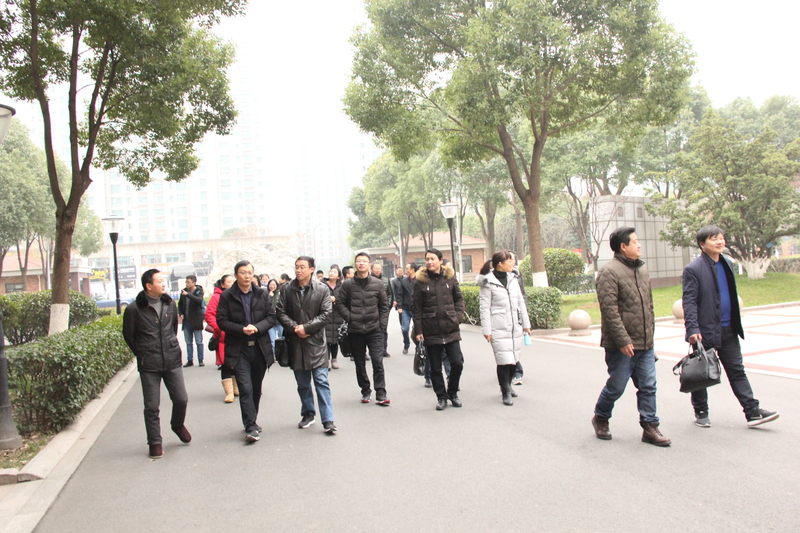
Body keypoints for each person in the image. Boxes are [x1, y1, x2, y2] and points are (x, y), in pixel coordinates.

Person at [682, 225, 779, 428]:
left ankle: (752, 412)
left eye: (721, 238)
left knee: (737, 371)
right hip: (705, 330)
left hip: (728, 329)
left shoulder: (727, 263)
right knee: (701, 371)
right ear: (702, 244)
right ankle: (701, 411)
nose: (719, 241)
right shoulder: (693, 269)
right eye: (713, 238)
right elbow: (689, 301)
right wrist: (693, 329)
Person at [592, 227, 670, 446]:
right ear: (623, 246)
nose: (639, 244)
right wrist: (623, 340)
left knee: (648, 386)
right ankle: (601, 417)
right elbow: (609, 311)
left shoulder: (641, 269)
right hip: (621, 345)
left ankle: (650, 426)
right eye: (635, 242)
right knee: (617, 386)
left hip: (645, 342)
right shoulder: (609, 272)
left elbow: (649, 305)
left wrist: (650, 335)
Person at [122, 269, 191, 459]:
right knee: (152, 405)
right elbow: (129, 336)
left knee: (181, 399)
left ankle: (177, 424)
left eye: (163, 280)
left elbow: (172, 329)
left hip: (172, 360)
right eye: (159, 281)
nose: (163, 284)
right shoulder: (134, 309)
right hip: (149, 364)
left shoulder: (170, 304)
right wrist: (143, 352)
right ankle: (155, 442)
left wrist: (169, 346)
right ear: (148, 285)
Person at [216, 260, 277, 443]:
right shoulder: (227, 296)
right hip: (239, 349)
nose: (247, 276)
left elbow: (271, 317)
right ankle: (250, 426)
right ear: (236, 275)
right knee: (245, 388)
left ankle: (252, 421)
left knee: (256, 389)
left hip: (259, 348)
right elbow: (221, 320)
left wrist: (257, 328)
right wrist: (241, 329)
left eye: (250, 272)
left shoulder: (261, 293)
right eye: (243, 272)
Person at [277, 256, 337, 434]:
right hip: (295, 342)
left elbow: (326, 314)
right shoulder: (287, 289)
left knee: (321, 381)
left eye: (302, 267)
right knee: (303, 384)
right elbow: (280, 312)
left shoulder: (321, 289)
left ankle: (328, 419)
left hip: (316, 342)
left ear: (311, 269)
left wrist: (307, 328)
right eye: (296, 267)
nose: (298, 270)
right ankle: (308, 413)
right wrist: (295, 328)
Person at [476, 251, 532, 406]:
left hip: (515, 327)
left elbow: (520, 303)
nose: (512, 263)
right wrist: (487, 330)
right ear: (500, 264)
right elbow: (484, 308)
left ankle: (508, 385)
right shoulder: (488, 282)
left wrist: (526, 325)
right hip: (498, 327)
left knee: (514, 359)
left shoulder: (513, 278)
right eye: (509, 261)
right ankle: (505, 391)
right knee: (503, 361)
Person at [413, 248, 465, 411]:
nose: (429, 262)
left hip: (450, 328)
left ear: (440, 261)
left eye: (433, 259)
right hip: (431, 330)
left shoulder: (450, 278)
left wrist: (457, 317)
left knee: (457, 363)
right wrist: (419, 330)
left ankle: (452, 393)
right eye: (427, 259)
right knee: (435, 368)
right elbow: (417, 308)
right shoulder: (420, 282)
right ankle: (441, 397)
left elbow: (459, 300)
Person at [339, 252, 391, 405]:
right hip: (355, 331)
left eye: (364, 261)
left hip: (375, 329)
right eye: (358, 261)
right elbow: (340, 303)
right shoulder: (348, 284)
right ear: (355, 264)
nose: (361, 263)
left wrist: (382, 326)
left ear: (369, 264)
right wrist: (350, 317)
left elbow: (384, 306)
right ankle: (365, 390)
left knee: (377, 361)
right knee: (360, 363)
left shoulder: (377, 284)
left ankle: (381, 393)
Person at [205, 274, 238, 403]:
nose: (232, 283)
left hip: (236, 334)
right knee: (226, 364)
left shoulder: (237, 295)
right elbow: (209, 315)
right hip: (224, 337)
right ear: (222, 284)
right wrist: (220, 328)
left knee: (236, 363)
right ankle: (229, 392)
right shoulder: (216, 297)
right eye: (229, 282)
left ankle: (236, 388)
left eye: (233, 281)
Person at [178, 274, 205, 367]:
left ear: (194, 283)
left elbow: (199, 301)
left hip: (196, 320)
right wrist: (181, 313)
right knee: (188, 342)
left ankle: (200, 359)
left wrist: (188, 295)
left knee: (199, 341)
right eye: (186, 282)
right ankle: (190, 360)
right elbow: (180, 305)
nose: (186, 284)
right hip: (187, 321)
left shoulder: (198, 291)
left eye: (188, 282)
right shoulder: (183, 292)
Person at [510, 252, 526, 385]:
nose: (511, 261)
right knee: (507, 347)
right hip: (502, 319)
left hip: (516, 316)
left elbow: (522, 295)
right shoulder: (493, 277)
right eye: (508, 259)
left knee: (515, 345)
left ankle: (515, 371)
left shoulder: (517, 275)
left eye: (513, 259)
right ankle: (515, 371)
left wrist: (525, 314)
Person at [371, 262, 393, 358]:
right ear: (371, 269)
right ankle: (373, 350)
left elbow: (390, 294)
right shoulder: (368, 279)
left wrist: (387, 305)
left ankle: (384, 349)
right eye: (375, 268)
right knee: (371, 330)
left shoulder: (385, 280)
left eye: (379, 268)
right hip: (371, 309)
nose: (377, 270)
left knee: (383, 329)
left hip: (383, 309)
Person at [324, 266, 344, 369]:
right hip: (326, 315)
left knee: (335, 339)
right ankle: (327, 360)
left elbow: (344, 300)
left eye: (334, 272)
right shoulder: (323, 285)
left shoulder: (341, 287)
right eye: (331, 271)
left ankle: (334, 359)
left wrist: (335, 300)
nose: (331, 273)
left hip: (337, 315)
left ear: (338, 276)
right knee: (327, 339)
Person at [395, 263, 416, 355]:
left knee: (418, 329)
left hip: (416, 309)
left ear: (413, 270)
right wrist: (399, 307)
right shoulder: (403, 281)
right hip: (405, 309)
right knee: (405, 329)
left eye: (407, 268)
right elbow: (400, 294)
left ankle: (419, 345)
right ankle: (406, 345)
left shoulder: (419, 280)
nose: (406, 270)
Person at [266, 279, 283, 350]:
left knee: (281, 338)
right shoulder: (266, 294)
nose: (272, 286)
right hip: (270, 321)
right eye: (270, 285)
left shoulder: (280, 294)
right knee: (272, 340)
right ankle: (273, 355)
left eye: (274, 285)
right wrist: (270, 297)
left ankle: (281, 354)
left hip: (279, 320)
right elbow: (267, 306)